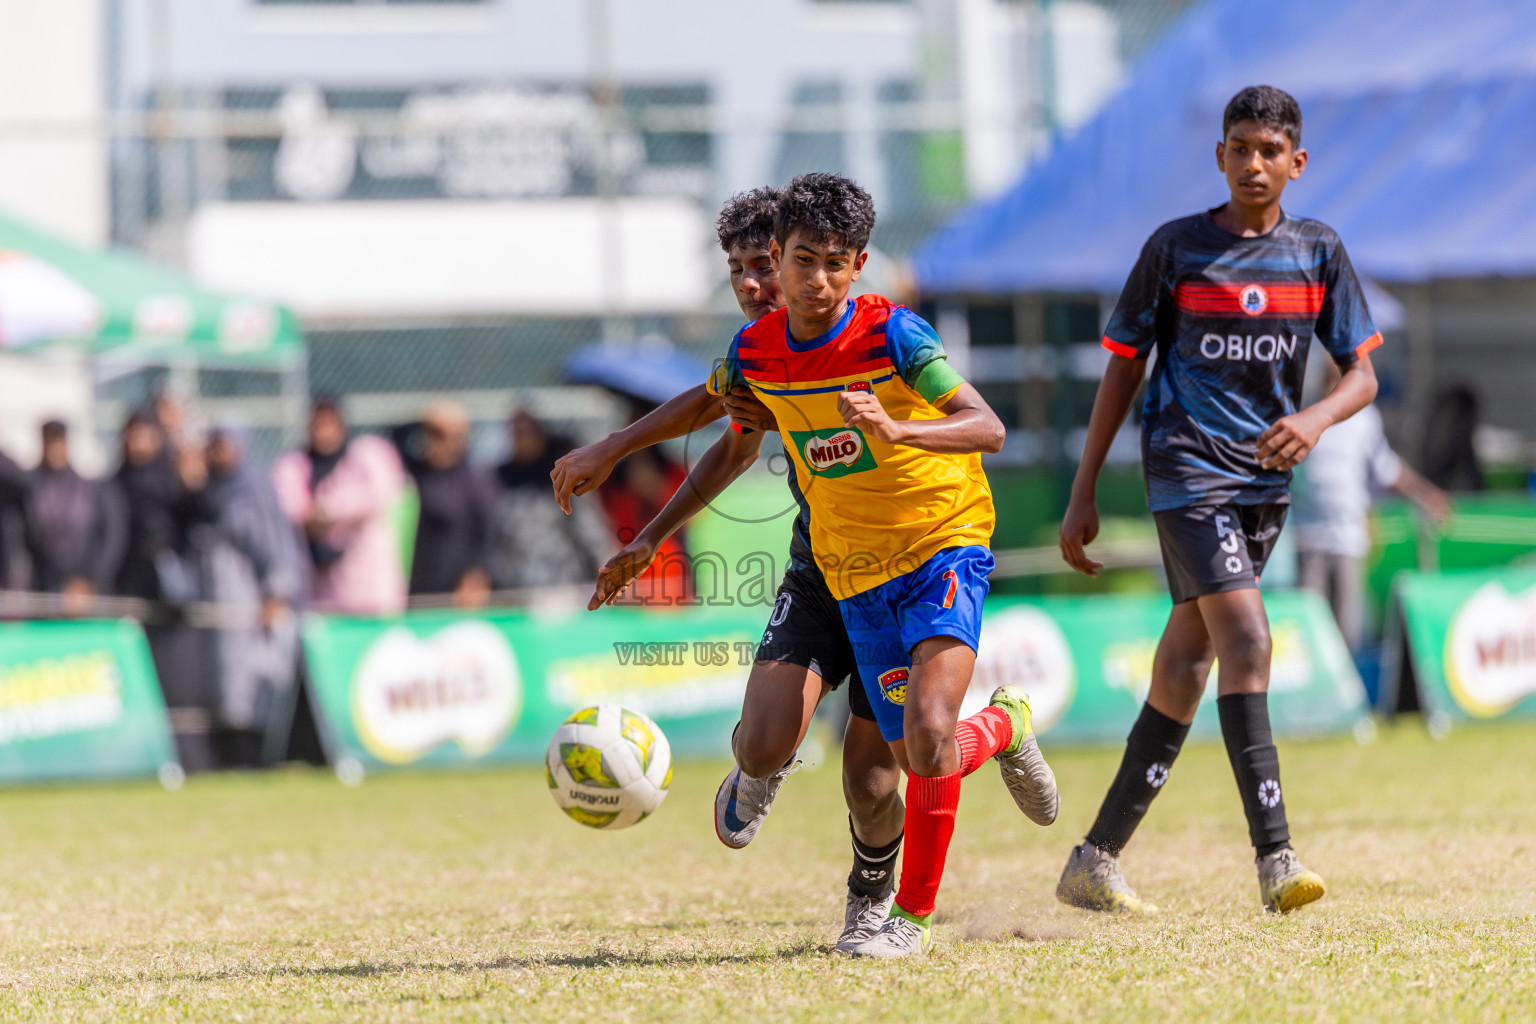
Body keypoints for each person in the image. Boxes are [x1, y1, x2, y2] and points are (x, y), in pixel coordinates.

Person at [600, 173, 1056, 959]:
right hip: (839, 571)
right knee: (787, 745)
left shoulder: (892, 336)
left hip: (939, 546)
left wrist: (899, 430)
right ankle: (986, 730)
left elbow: (985, 425)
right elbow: (715, 420)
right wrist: (628, 492)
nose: (780, 282)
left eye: (826, 263)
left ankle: (895, 915)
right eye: (770, 266)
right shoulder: (757, 356)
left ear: (854, 264)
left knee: (905, 757)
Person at [558, 186, 920, 953]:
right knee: (761, 742)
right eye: (738, 270)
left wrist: (615, 448)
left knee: (872, 780)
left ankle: (871, 898)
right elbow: (731, 437)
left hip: (900, 571)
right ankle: (762, 769)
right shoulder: (761, 352)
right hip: (822, 566)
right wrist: (649, 535)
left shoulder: (870, 332)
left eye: (764, 265)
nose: (754, 284)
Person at [1059, 85, 1382, 916]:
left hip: (1264, 484)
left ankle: (1095, 859)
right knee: (1248, 638)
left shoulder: (1318, 251)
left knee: (1187, 661)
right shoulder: (1175, 249)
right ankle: (1276, 858)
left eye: (1270, 151)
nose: (1253, 163)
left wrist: (1313, 418)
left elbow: (1362, 377)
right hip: (1184, 469)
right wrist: (1084, 488)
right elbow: (1123, 368)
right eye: (1240, 148)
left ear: (1296, 163)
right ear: (1220, 156)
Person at [1291, 365, 1450, 650]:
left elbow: (1387, 470)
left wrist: (1424, 494)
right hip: (1308, 538)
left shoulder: (1364, 418)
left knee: (1348, 633)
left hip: (1348, 538)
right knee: (1310, 635)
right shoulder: (1303, 412)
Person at [191, 425, 306, 768]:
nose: (218, 453)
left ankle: (255, 759)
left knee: (251, 688)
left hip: (249, 605)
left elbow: (278, 549)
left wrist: (277, 593)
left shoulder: (255, 491)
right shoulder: (206, 490)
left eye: (225, 445)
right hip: (212, 604)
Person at [272, 399, 408, 615]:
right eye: (318, 425)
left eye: (329, 424)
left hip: (369, 584)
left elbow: (381, 496)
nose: (324, 433)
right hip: (321, 585)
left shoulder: (366, 456)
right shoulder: (296, 465)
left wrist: (329, 512)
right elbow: (293, 512)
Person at [489, 409, 608, 592]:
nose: (522, 439)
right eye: (516, 433)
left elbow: (588, 524)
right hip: (517, 583)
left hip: (560, 577)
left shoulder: (561, 475)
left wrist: (604, 561)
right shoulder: (500, 478)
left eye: (526, 432)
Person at [391, 401, 495, 608]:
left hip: (459, 591)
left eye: (457, 436)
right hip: (419, 587)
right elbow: (395, 435)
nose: (449, 443)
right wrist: (425, 419)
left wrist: (477, 574)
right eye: (438, 434)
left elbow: (487, 534)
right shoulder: (419, 473)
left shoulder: (474, 478)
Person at [20, 421, 127, 615]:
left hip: (89, 593)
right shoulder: (32, 488)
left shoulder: (92, 489)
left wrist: (90, 582)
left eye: (58, 443)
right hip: (46, 591)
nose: (54, 451)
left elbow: (111, 539)